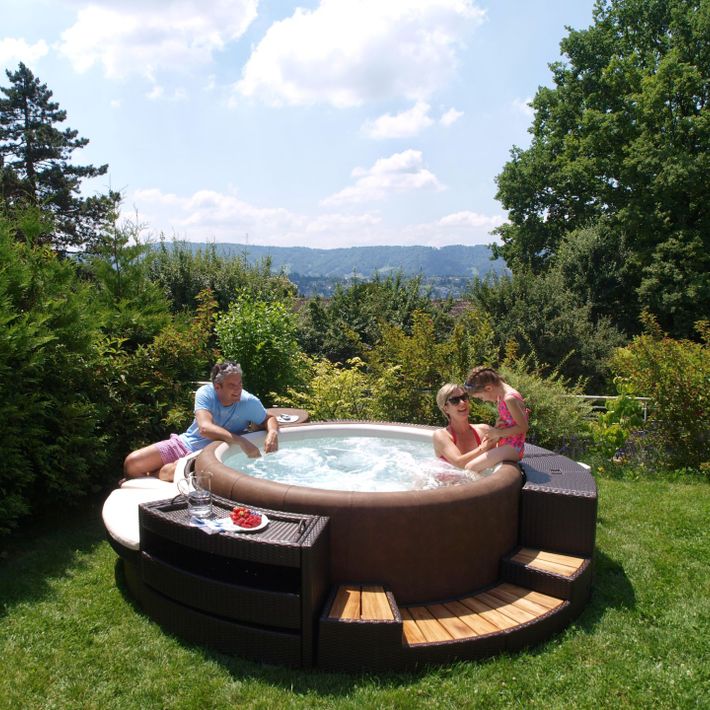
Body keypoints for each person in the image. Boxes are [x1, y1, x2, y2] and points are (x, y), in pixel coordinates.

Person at [122, 361, 279, 483]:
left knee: (174, 471)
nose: (238, 389)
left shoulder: (248, 402)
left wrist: (272, 433)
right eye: (232, 385)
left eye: (240, 383)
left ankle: (160, 474)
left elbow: (269, 418)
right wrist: (241, 442)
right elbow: (205, 428)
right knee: (132, 464)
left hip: (209, 454)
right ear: (217, 387)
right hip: (186, 443)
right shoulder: (206, 393)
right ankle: (159, 474)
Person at [462, 366, 528, 473]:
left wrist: (497, 433)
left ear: (489, 388)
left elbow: (523, 427)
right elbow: (511, 419)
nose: (483, 400)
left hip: (513, 447)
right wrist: (498, 425)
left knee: (470, 468)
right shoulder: (502, 392)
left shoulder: (509, 398)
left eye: (481, 397)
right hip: (506, 443)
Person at [432, 383, 495, 470]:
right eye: (455, 400)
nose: (462, 403)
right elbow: (459, 463)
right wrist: (483, 447)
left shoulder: (483, 430)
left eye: (464, 397)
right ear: (445, 408)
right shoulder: (441, 435)